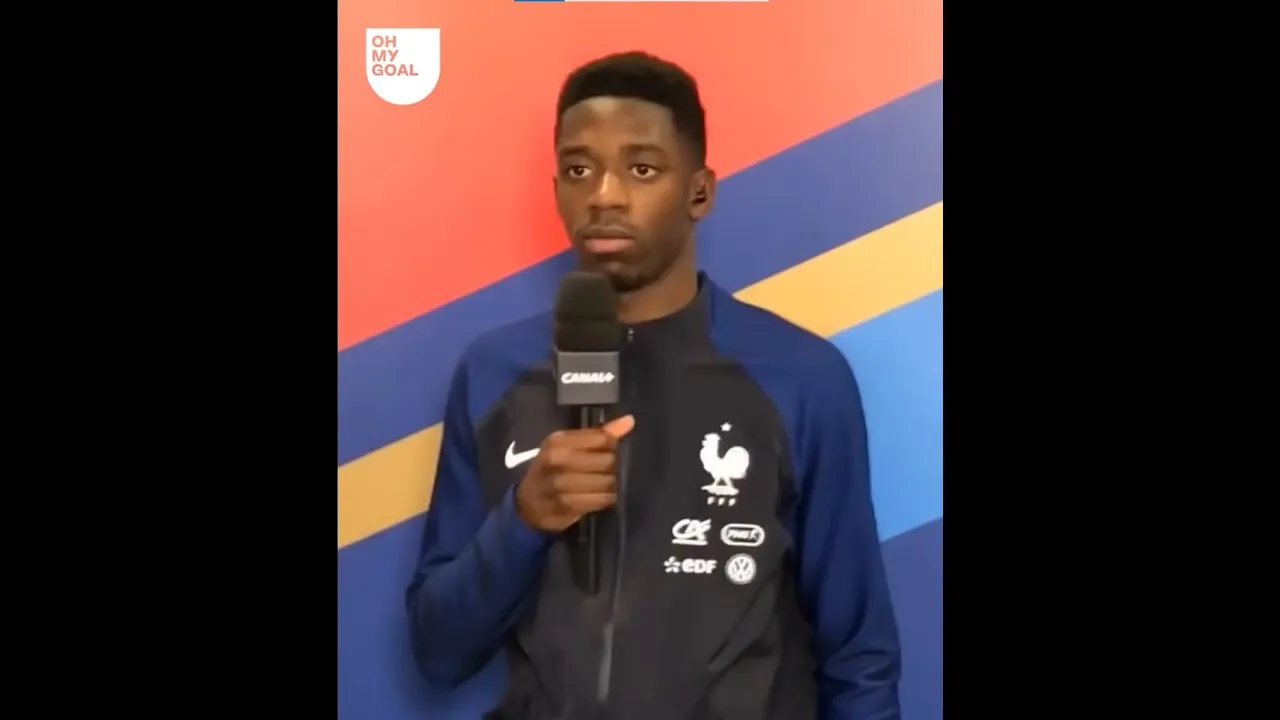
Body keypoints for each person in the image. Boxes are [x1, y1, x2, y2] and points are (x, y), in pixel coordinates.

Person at [405, 51, 902, 719]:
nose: (604, 195)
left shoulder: (800, 377)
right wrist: (524, 518)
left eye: (641, 169)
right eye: (579, 170)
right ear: (556, 190)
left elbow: (859, 656)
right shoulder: (494, 373)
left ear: (699, 192)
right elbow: (438, 650)